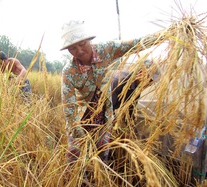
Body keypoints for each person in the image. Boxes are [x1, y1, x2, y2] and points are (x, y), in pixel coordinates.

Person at [60, 20, 163, 163]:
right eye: (72, 48)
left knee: (101, 158)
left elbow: (136, 43)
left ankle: (99, 179)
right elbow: (69, 108)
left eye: (82, 44)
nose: (79, 51)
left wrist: (166, 34)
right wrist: (80, 133)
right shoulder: (69, 72)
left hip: (104, 117)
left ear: (89, 39)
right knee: (75, 160)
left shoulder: (106, 50)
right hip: (81, 119)